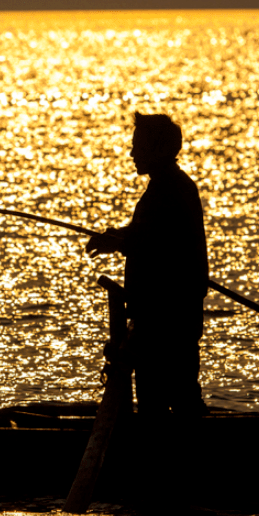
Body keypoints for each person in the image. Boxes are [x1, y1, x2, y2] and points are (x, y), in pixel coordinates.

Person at [85, 112, 209, 417]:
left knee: (172, 402)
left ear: (158, 149)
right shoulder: (164, 188)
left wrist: (119, 244)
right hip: (156, 318)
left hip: (168, 319)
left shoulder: (172, 190)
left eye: (138, 146)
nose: (132, 153)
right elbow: (145, 234)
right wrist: (118, 235)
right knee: (165, 400)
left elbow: (161, 248)